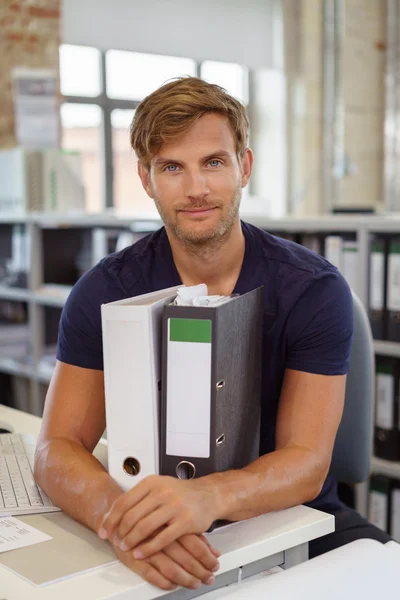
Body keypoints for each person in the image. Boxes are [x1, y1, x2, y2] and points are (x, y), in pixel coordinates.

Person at [34, 76, 391, 592]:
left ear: (244, 166)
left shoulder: (313, 289)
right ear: (146, 178)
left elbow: (307, 463)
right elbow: (57, 447)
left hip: (292, 521)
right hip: (154, 522)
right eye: (172, 167)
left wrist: (208, 497)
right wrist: (125, 522)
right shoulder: (106, 290)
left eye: (214, 163)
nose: (196, 188)